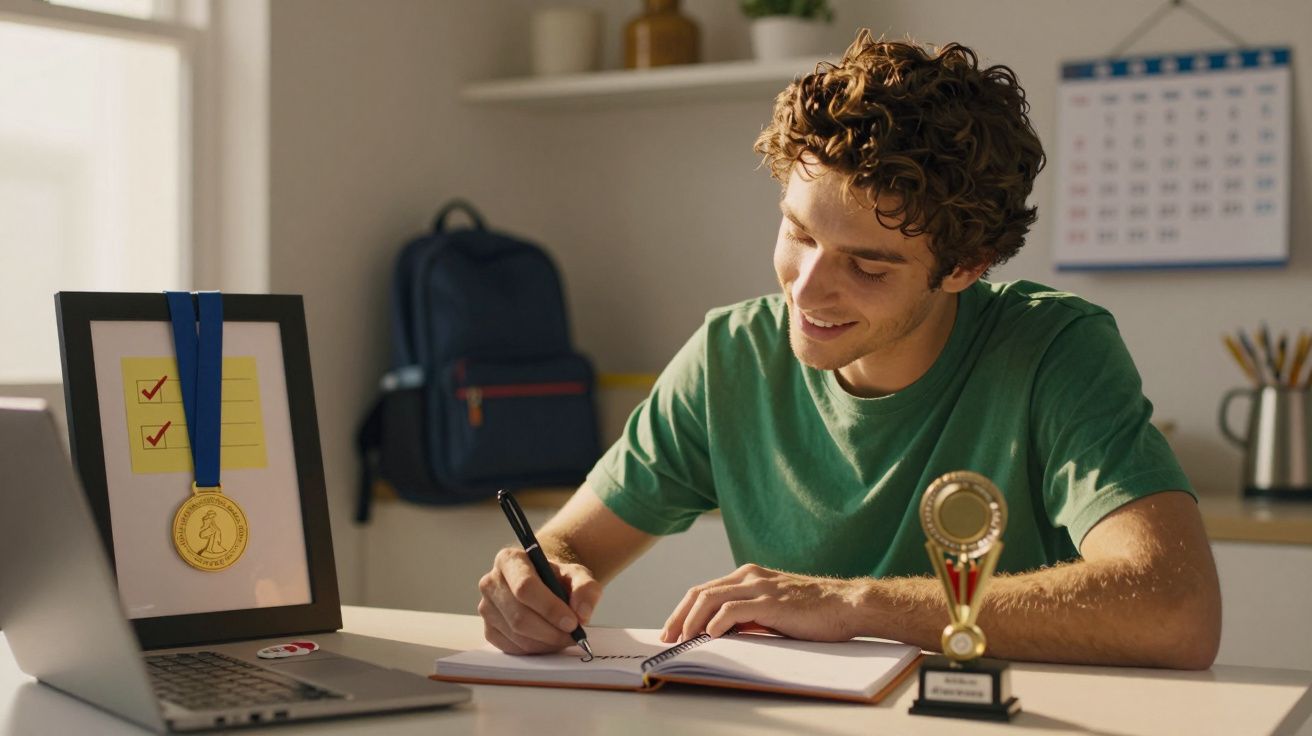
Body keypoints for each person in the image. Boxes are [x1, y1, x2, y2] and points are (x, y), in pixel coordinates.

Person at [477, 30, 1221, 670]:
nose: (806, 289)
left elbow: (1175, 609)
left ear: (964, 266)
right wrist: (534, 584)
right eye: (798, 233)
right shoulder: (730, 356)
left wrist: (855, 604)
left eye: (866, 266)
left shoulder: (1054, 349)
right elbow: (569, 548)